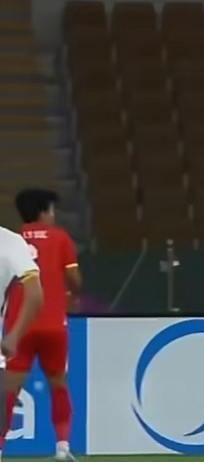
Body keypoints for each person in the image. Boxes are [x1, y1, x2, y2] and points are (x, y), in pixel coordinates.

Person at [3, 190, 73, 461]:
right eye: (52, 210)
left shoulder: (12, 239)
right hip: (53, 324)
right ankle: (62, 447)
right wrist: (71, 289)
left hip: (19, 327)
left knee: (8, 391)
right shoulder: (60, 238)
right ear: (44, 212)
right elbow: (74, 277)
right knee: (58, 384)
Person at [0, 225, 46, 462]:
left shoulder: (9, 242)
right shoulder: (10, 241)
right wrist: (14, 336)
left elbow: (35, 294)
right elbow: (35, 294)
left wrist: (14, 335)